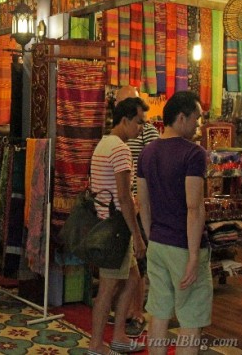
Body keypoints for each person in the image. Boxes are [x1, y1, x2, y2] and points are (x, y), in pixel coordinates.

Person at [137, 91, 211, 355]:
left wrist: (151, 236)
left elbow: (143, 204)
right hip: (184, 245)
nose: (199, 124)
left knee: (159, 314)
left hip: (158, 242)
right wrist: (193, 256)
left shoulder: (147, 153)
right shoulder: (193, 154)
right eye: (197, 118)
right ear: (181, 118)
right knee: (191, 319)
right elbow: (194, 207)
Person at [88, 97, 147, 355]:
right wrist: (137, 234)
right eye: (138, 122)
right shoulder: (121, 149)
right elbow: (124, 197)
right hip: (117, 228)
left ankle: (119, 336)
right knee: (108, 288)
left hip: (106, 223)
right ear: (125, 120)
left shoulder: (103, 143)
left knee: (132, 279)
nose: (141, 128)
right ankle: (96, 345)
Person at [111, 86, 160, 337]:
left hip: (138, 203)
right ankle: (126, 308)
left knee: (137, 261)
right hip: (125, 203)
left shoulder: (146, 131)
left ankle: (137, 312)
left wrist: (143, 198)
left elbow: (154, 166)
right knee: (126, 260)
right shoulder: (119, 134)